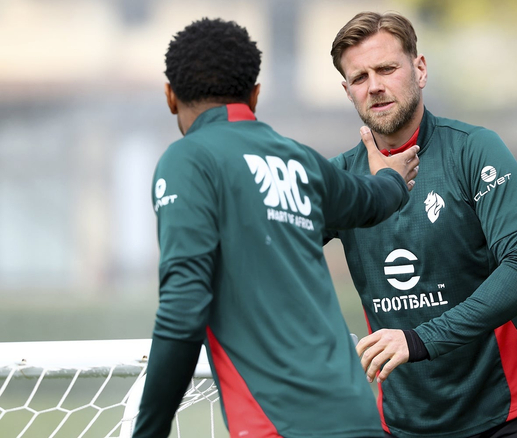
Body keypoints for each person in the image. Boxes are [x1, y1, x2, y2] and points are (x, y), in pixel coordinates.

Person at [132, 17, 420, 438]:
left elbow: (183, 308)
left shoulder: (188, 159)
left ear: (170, 96)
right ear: (255, 95)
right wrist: (393, 177)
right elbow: (372, 200)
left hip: (280, 426)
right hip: (361, 418)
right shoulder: (299, 160)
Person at [325, 11, 517, 438]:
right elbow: (269, 248)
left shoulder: (474, 150)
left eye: (387, 69)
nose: (374, 86)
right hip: (400, 425)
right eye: (359, 77)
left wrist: (419, 339)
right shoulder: (340, 180)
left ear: (420, 69)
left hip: (502, 418)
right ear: (347, 91)